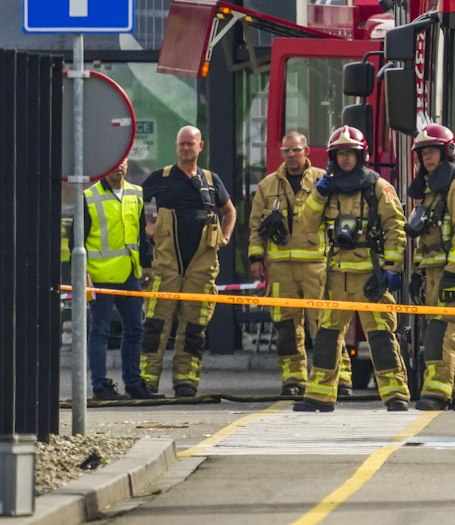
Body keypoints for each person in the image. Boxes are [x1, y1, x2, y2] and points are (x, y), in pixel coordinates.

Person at [294, 126, 411, 412]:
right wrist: (318, 195)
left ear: (361, 156)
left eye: (351, 154)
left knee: (381, 336)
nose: (346, 159)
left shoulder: (378, 187)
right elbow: (307, 224)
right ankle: (319, 396)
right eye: (341, 154)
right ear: (334, 157)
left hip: (371, 276)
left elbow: (395, 228)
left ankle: (396, 395)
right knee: (327, 336)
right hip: (336, 276)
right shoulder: (326, 188)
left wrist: (393, 268)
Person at [138, 126, 235, 397]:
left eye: (190, 144)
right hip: (166, 266)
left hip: (201, 269)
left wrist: (225, 237)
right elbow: (138, 205)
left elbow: (230, 212)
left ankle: (186, 382)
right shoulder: (160, 178)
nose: (185, 148)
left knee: (194, 328)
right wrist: (148, 224)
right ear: (176, 146)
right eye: (181, 144)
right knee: (156, 324)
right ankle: (147, 380)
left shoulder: (211, 180)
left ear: (200, 146)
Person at [407, 124, 455, 410]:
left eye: (433, 151)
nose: (427, 157)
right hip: (434, 269)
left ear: (447, 152)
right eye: (423, 152)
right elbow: (425, 235)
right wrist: (417, 273)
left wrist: (453, 273)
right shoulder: (431, 188)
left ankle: (437, 394)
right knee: (448, 329)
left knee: (442, 330)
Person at [63, 158, 152, 400]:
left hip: (129, 275)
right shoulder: (90, 196)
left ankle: (133, 384)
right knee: (99, 331)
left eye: (122, 162)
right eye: (113, 163)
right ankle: (100, 386)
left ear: (128, 164)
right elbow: (76, 241)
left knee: (135, 329)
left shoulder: (136, 193)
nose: (118, 167)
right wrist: (81, 276)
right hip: (99, 276)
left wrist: (147, 264)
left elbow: (140, 233)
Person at [247, 130, 326, 398]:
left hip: (317, 266)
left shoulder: (323, 180)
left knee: (324, 324)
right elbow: (256, 224)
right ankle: (293, 379)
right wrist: (256, 258)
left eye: (296, 150)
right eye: (286, 151)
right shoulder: (268, 185)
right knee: (286, 327)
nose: (291, 156)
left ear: (307, 152)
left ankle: (333, 379)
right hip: (280, 268)